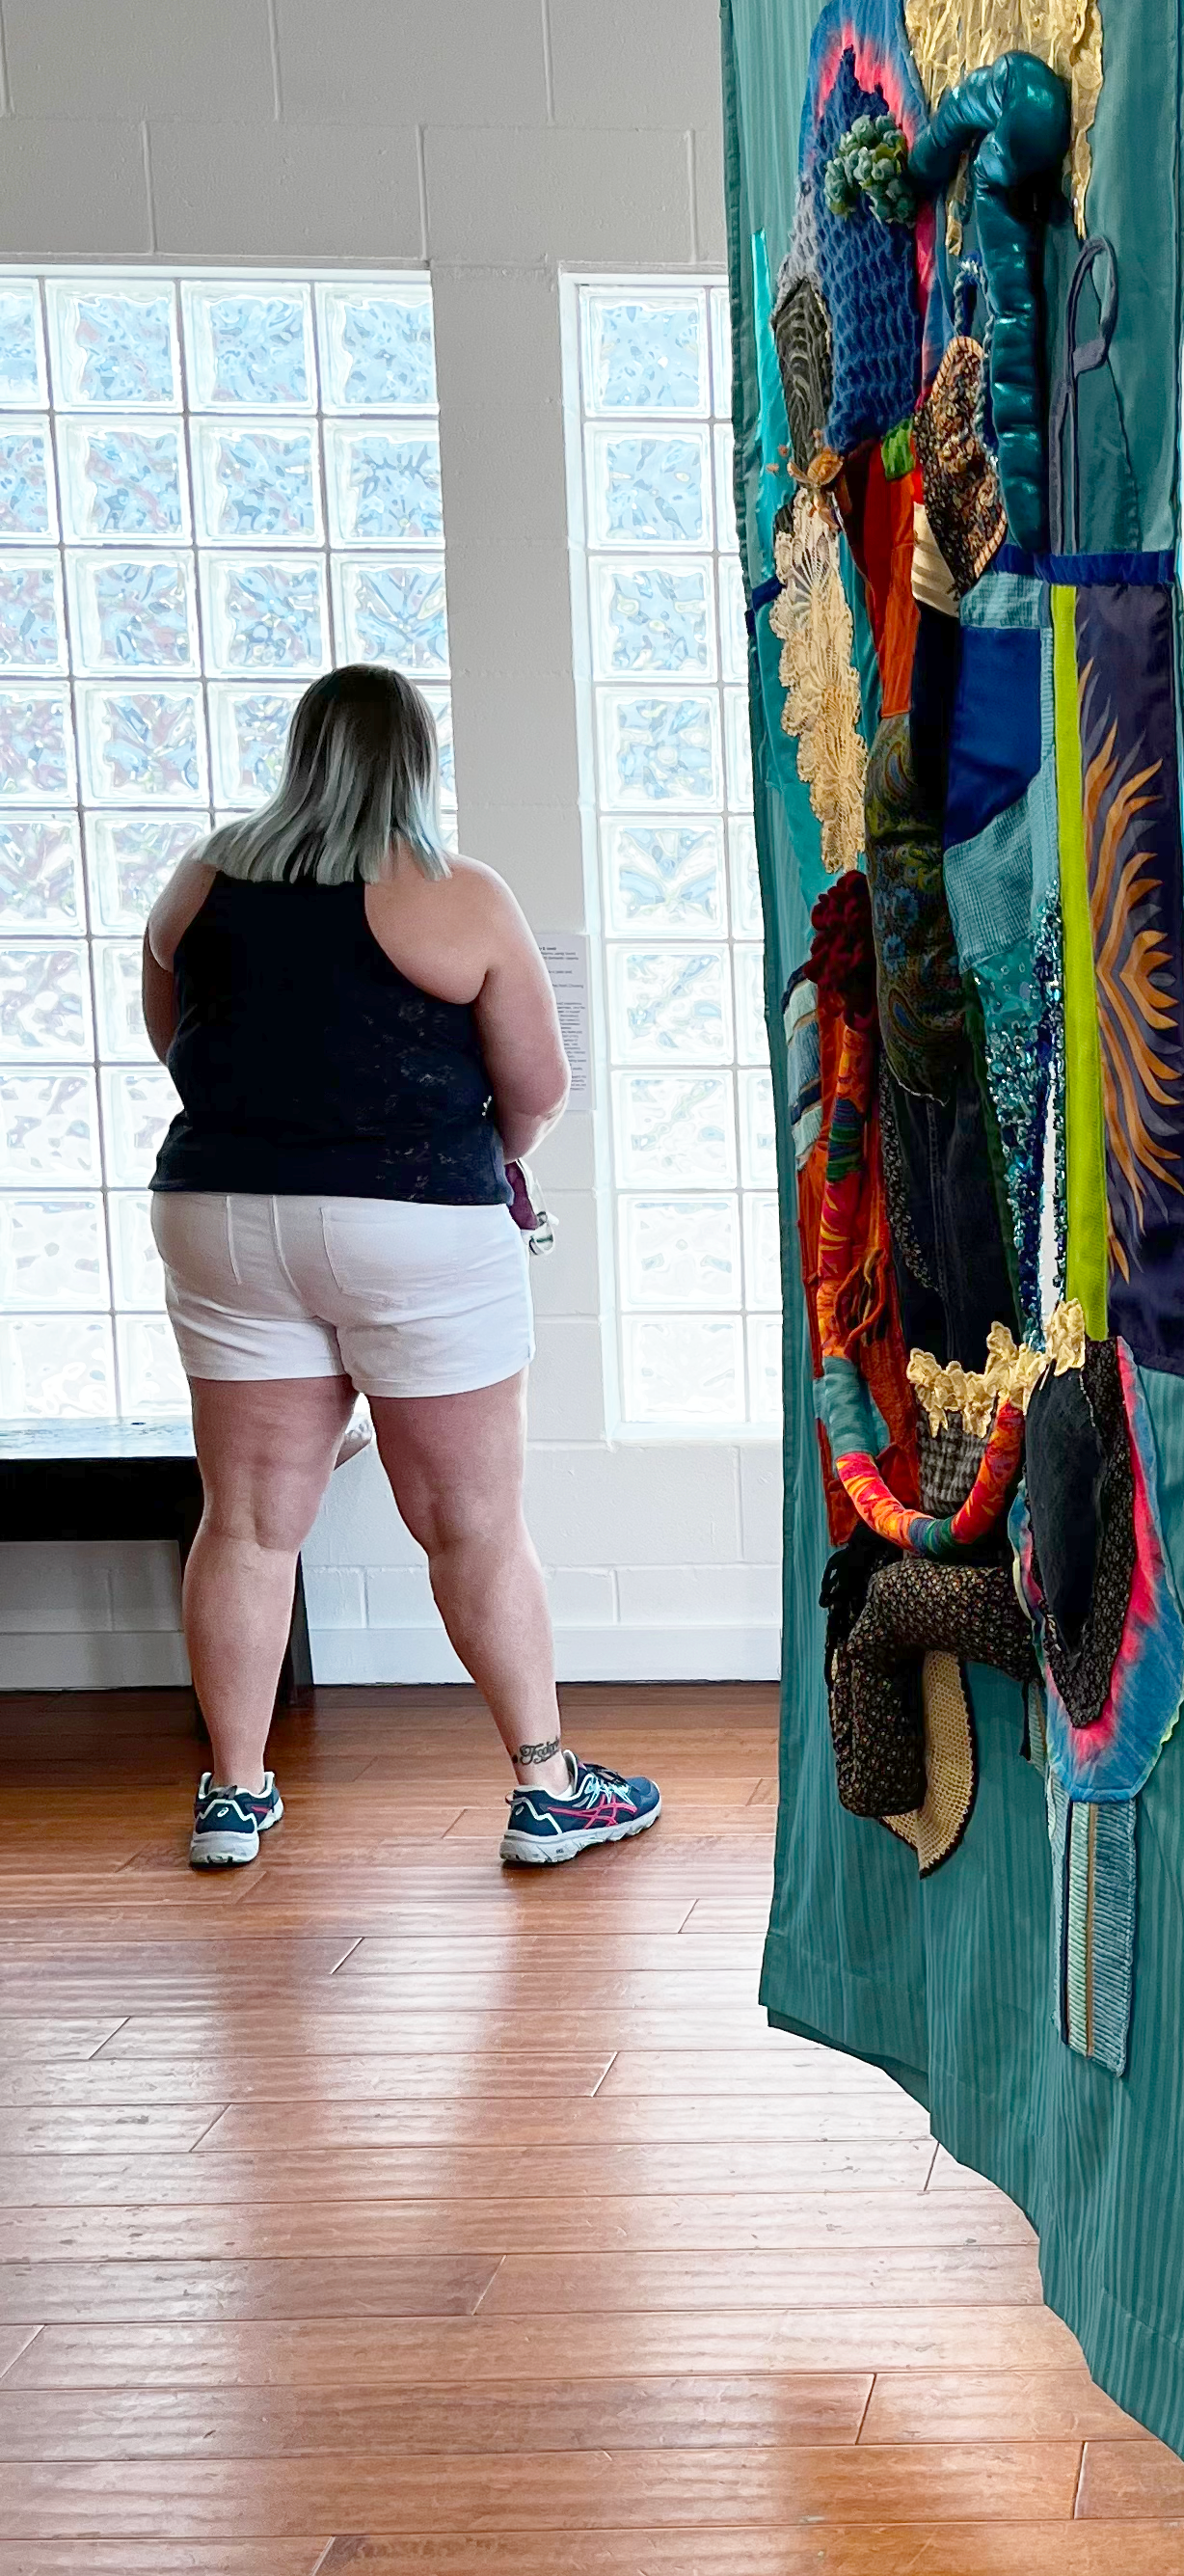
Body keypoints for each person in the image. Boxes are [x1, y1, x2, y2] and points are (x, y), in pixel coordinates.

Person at [143, 664, 660, 1873]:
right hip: (414, 1217)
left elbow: (178, 1041)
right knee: (471, 1524)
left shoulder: (203, 877)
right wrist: (500, 1165)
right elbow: (536, 1090)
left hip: (220, 1212)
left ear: (301, 754)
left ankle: (232, 1793)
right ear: (415, 763)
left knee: (250, 1521)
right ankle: (547, 1791)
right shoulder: (456, 895)